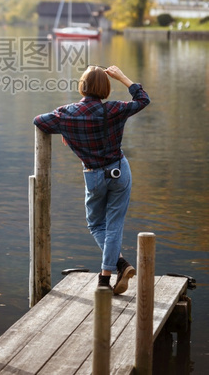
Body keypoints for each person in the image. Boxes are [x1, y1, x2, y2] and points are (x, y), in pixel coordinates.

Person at [33, 65, 150, 293]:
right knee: (114, 225)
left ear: (82, 87)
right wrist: (123, 77)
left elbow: (38, 121)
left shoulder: (66, 114)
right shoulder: (115, 109)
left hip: (93, 175)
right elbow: (143, 99)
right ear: (105, 88)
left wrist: (67, 131)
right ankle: (107, 278)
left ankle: (120, 266)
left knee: (97, 224)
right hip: (119, 170)